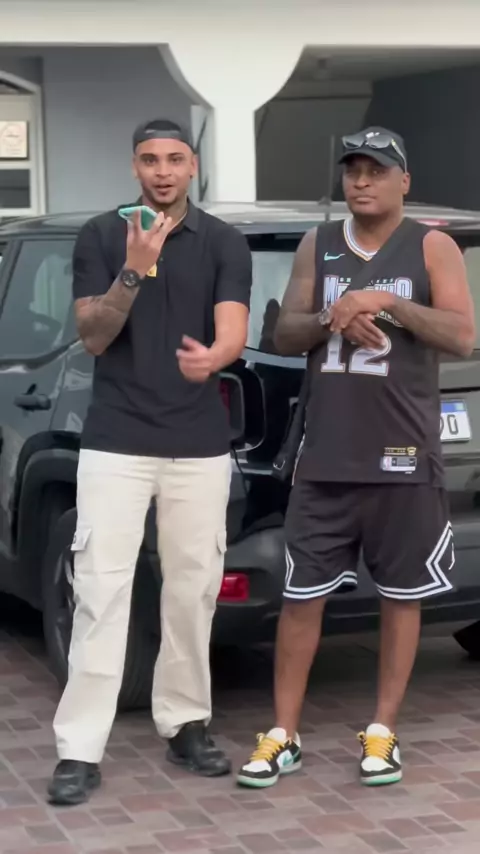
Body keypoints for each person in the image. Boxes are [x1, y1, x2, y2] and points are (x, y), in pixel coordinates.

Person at [237, 126, 475, 790]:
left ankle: (382, 730)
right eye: (353, 171)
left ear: (404, 181)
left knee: (402, 598)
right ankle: (283, 734)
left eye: (377, 170)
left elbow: (461, 335)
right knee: (301, 597)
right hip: (326, 457)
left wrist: (389, 302)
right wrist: (332, 315)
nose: (362, 181)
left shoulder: (432, 246)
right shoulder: (319, 244)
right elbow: (284, 332)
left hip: (403, 455)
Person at [47, 118, 252, 806]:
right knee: (100, 593)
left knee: (192, 592)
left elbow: (232, 329)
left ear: (193, 166)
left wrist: (214, 357)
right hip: (116, 442)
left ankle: (186, 724)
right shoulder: (101, 235)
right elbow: (94, 336)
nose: (162, 171)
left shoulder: (223, 241)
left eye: (174, 159)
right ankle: (80, 749)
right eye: (149, 159)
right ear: (134, 167)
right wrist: (134, 267)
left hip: (198, 444)